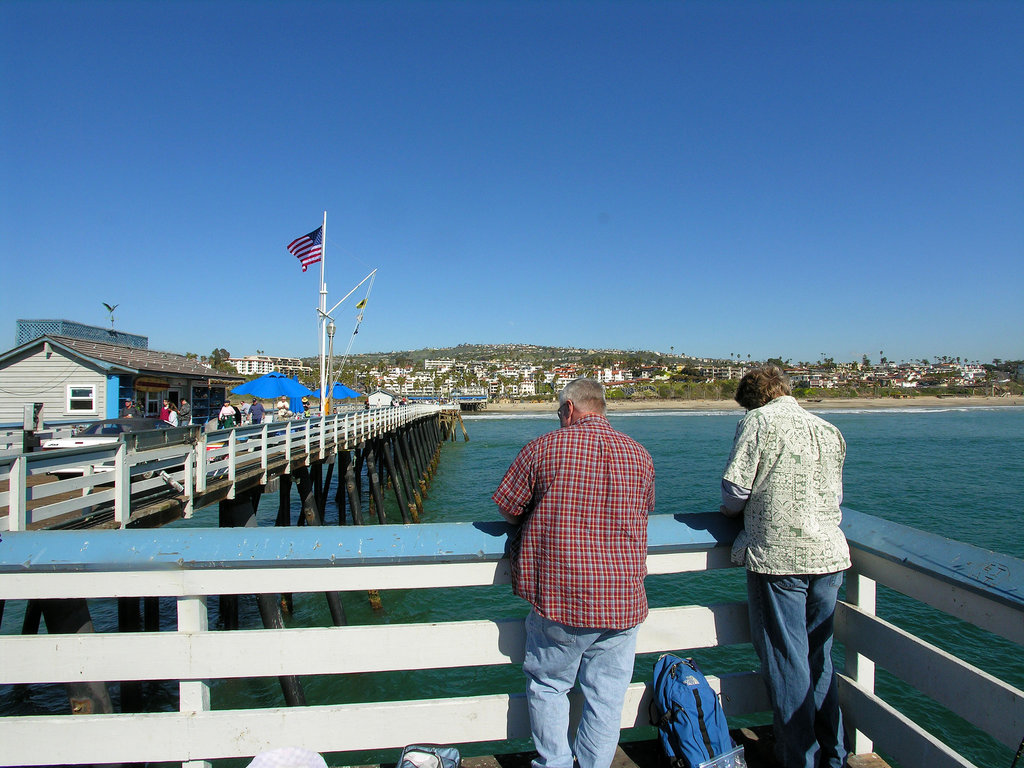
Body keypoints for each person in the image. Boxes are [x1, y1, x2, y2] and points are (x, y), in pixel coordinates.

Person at [493, 378, 655, 768]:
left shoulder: (543, 448)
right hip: (622, 598)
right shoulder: (640, 455)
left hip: (562, 595)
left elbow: (508, 509)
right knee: (607, 695)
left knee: (549, 685)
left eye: (558, 412)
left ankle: (556, 764)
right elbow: (643, 511)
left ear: (568, 409)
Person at [719, 365, 849, 768]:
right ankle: (834, 754)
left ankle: (799, 758)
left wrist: (731, 512)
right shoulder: (827, 429)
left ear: (752, 399)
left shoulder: (757, 422)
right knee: (819, 656)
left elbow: (736, 489)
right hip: (829, 555)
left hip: (779, 557)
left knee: (786, 660)